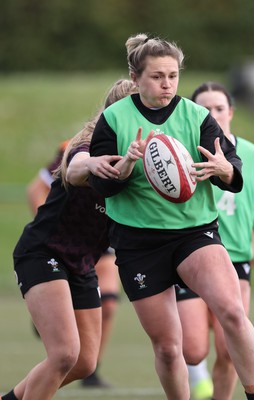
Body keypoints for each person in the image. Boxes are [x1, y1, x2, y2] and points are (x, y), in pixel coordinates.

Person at [88, 33, 254, 400]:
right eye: (157, 76)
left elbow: (235, 173)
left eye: (172, 75)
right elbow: (100, 187)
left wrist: (224, 169)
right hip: (138, 243)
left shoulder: (197, 116)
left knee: (233, 313)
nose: (167, 83)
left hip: (195, 234)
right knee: (171, 349)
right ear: (136, 77)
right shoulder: (113, 120)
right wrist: (125, 165)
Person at [1, 79, 138, 400]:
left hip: (82, 263)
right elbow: (76, 165)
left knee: (85, 362)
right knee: (64, 353)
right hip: (43, 252)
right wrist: (90, 164)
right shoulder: (85, 144)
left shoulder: (141, 158)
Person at [176, 81, 254, 400]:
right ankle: (195, 373)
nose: (213, 114)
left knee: (229, 348)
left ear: (230, 112)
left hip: (235, 256)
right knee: (192, 350)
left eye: (219, 108)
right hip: (192, 252)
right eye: (205, 109)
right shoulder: (179, 152)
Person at [27, 144, 119, 389]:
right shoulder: (76, 148)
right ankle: (50, 311)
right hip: (57, 245)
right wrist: (46, 221)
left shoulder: (144, 156)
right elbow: (36, 189)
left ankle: (93, 370)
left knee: (108, 305)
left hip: (98, 244)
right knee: (65, 353)